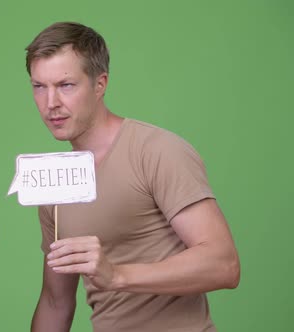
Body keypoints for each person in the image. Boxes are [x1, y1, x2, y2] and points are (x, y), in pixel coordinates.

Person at [26, 22, 240, 332]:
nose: (51, 103)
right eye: (39, 86)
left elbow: (225, 264)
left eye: (66, 85)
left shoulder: (156, 151)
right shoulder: (56, 181)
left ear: (100, 84)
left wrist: (116, 275)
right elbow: (56, 301)